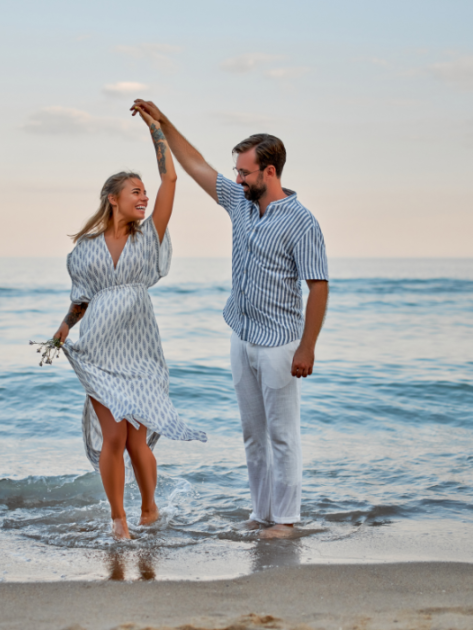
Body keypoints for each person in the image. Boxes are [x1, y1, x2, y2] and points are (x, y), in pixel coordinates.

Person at [131, 99, 329, 539]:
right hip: (242, 336)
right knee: (252, 436)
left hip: (281, 342)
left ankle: (286, 519)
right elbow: (196, 164)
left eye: (245, 171)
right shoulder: (240, 204)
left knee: (282, 436)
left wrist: (307, 346)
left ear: (270, 172)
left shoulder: (302, 222)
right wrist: (162, 124)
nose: (237, 178)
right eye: (237, 171)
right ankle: (261, 515)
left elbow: (318, 285)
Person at [52, 105, 206, 540]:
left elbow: (170, 180)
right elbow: (81, 300)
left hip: (141, 350)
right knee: (113, 439)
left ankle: (150, 509)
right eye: (134, 192)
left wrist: (156, 130)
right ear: (112, 199)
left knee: (139, 440)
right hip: (99, 350)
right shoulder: (86, 248)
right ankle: (119, 520)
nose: (143, 198)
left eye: (144, 192)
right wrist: (64, 327)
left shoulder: (150, 234)